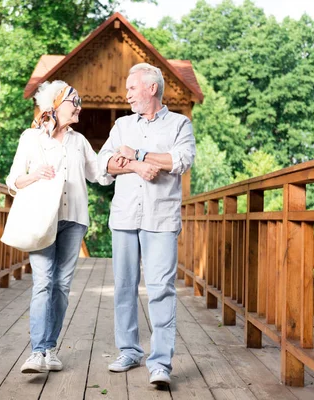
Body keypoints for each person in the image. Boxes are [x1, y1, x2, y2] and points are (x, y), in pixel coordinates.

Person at [97, 63, 196, 387]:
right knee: (124, 287)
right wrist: (139, 165)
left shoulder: (180, 124)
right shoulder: (122, 125)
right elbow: (105, 163)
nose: (127, 95)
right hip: (125, 216)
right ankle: (128, 351)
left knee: (161, 289)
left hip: (161, 219)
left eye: (132, 88)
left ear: (151, 89)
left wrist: (137, 153)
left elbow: (180, 160)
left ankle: (161, 363)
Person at [6, 81, 112, 373]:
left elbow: (100, 175)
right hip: (43, 220)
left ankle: (50, 349)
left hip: (74, 219)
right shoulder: (31, 138)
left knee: (62, 285)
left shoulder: (78, 141)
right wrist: (34, 175)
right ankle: (37, 351)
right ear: (55, 104)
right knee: (43, 282)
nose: (79, 107)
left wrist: (122, 161)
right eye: (73, 102)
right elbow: (13, 179)